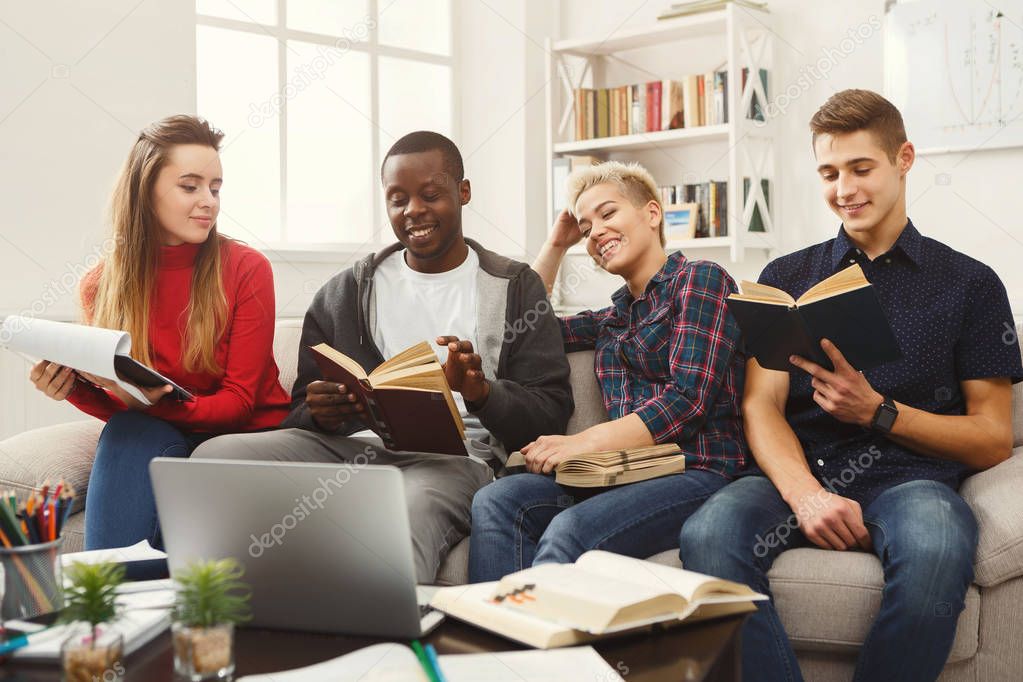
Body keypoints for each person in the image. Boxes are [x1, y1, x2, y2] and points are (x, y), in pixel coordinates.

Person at [679, 89, 1023, 682]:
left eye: (862, 168)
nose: (845, 189)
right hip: (800, 469)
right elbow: (761, 407)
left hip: (913, 480)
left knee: (939, 549)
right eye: (830, 173)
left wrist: (879, 413)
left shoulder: (971, 283)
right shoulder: (785, 275)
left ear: (905, 159)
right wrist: (806, 494)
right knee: (708, 535)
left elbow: (993, 438)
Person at [192, 131, 573, 583]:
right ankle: (222, 621)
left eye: (431, 195)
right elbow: (299, 410)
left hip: (456, 462)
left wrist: (482, 393)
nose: (413, 210)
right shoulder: (345, 292)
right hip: (350, 448)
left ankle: (391, 647)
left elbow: (551, 411)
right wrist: (321, 413)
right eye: (398, 199)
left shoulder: (514, 286)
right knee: (212, 457)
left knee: (403, 510)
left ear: (463, 192)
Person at [468, 161, 748, 582]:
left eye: (608, 214)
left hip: (699, 470)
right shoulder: (612, 320)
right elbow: (524, 331)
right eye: (585, 228)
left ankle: (550, 646)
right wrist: (557, 245)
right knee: (497, 500)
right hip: (626, 474)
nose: (595, 232)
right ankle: (495, 642)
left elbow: (687, 400)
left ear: (652, 214)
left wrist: (583, 443)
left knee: (569, 532)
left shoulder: (702, 280)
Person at [29, 115, 291, 550]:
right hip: (162, 432)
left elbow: (238, 405)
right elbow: (124, 407)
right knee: (129, 433)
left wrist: (150, 407)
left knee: (139, 433)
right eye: (190, 186)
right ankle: (114, 605)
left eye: (215, 187)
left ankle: (136, 600)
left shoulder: (246, 269)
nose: (208, 201)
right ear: (145, 191)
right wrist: (72, 388)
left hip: (245, 434)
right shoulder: (101, 283)